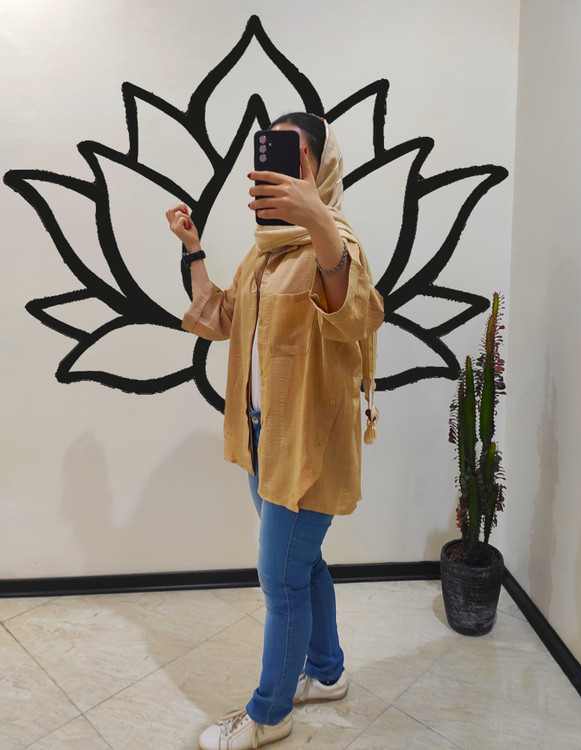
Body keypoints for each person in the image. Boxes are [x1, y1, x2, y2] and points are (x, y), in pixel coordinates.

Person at [166, 113, 384, 750]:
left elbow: (356, 314)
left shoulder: (335, 245)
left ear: (318, 166)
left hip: (309, 447)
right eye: (269, 154)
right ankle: (327, 673)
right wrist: (193, 249)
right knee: (302, 564)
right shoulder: (265, 254)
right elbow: (222, 317)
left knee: (281, 579)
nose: (275, 168)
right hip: (267, 438)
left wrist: (318, 218)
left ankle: (270, 714)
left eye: (293, 155)